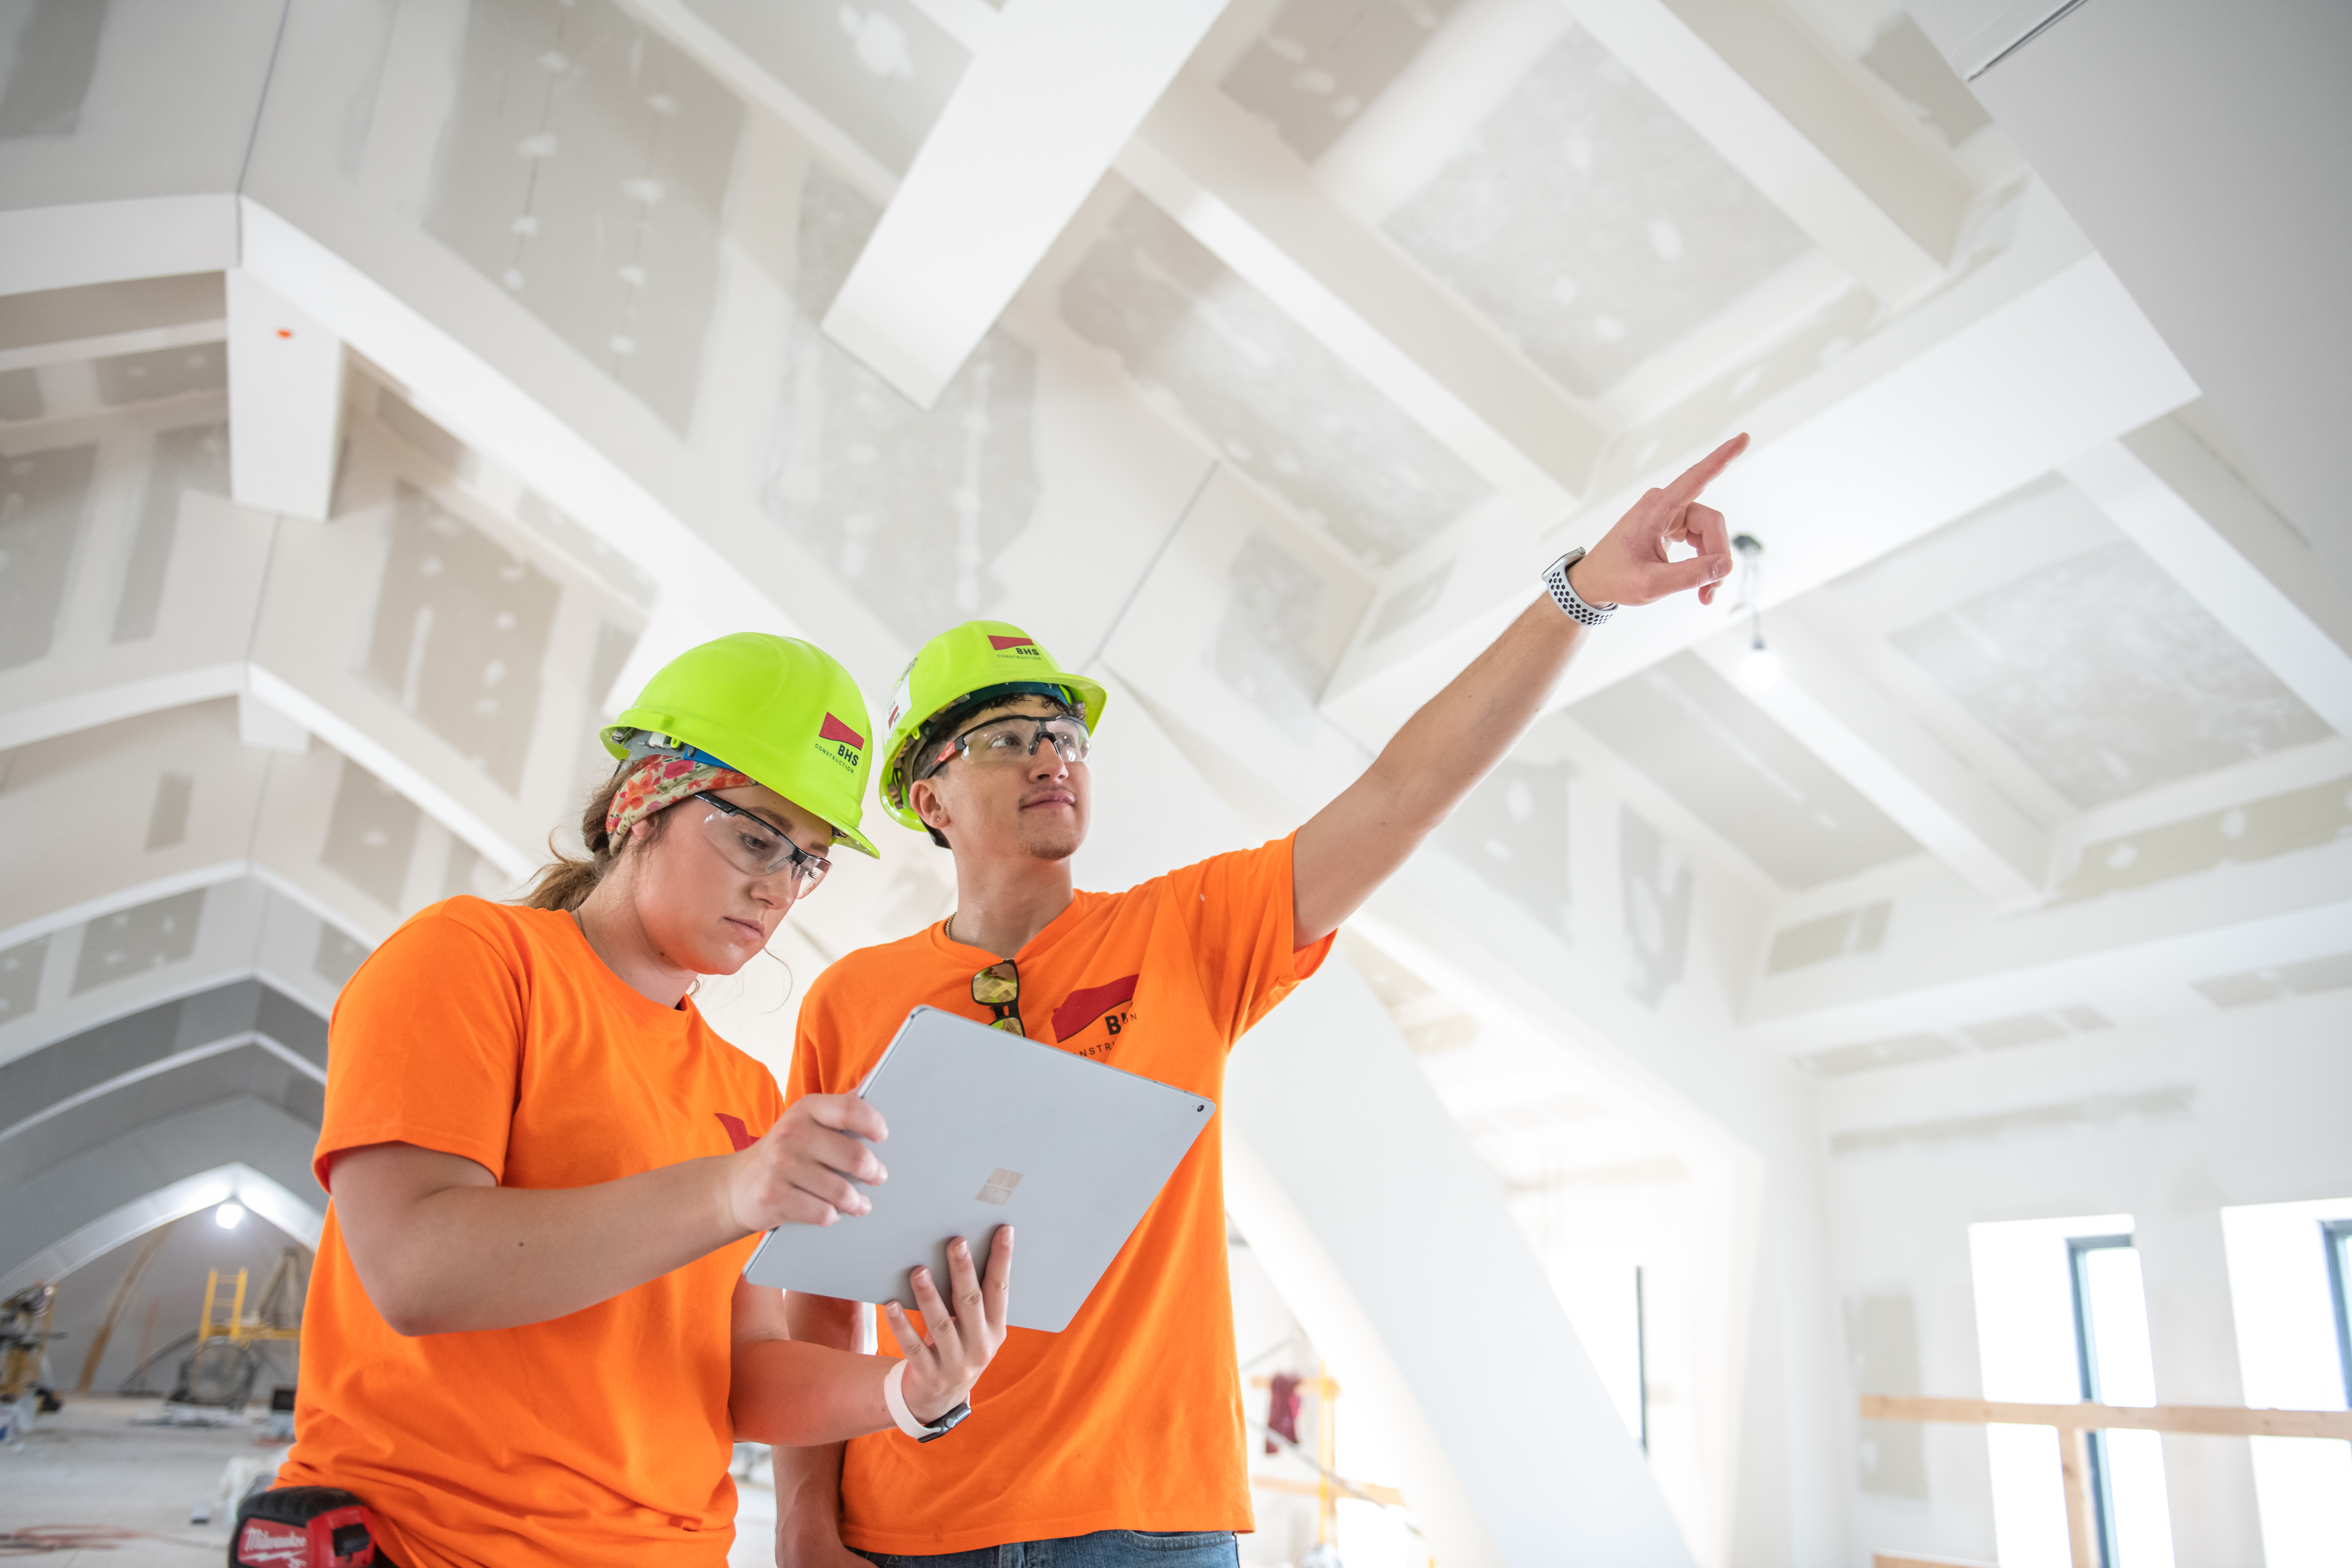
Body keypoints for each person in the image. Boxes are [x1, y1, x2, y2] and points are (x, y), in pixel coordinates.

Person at [773, 437, 1751, 1566]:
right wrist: (807, 1518)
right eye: (1004, 737)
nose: (1052, 756)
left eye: (1065, 732)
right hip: (914, 1529)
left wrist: (1578, 597)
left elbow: (1402, 795)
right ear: (925, 795)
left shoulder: (1190, 932)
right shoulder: (853, 1001)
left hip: (1150, 1525)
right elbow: (817, 1294)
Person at [274, 633, 1015, 1568]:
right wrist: (726, 1194)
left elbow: (738, 1377)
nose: (777, 885)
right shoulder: (470, 960)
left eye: (809, 861)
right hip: (434, 1542)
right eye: (756, 835)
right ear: (642, 798)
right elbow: (415, 1272)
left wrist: (907, 1388)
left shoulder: (742, 1092)